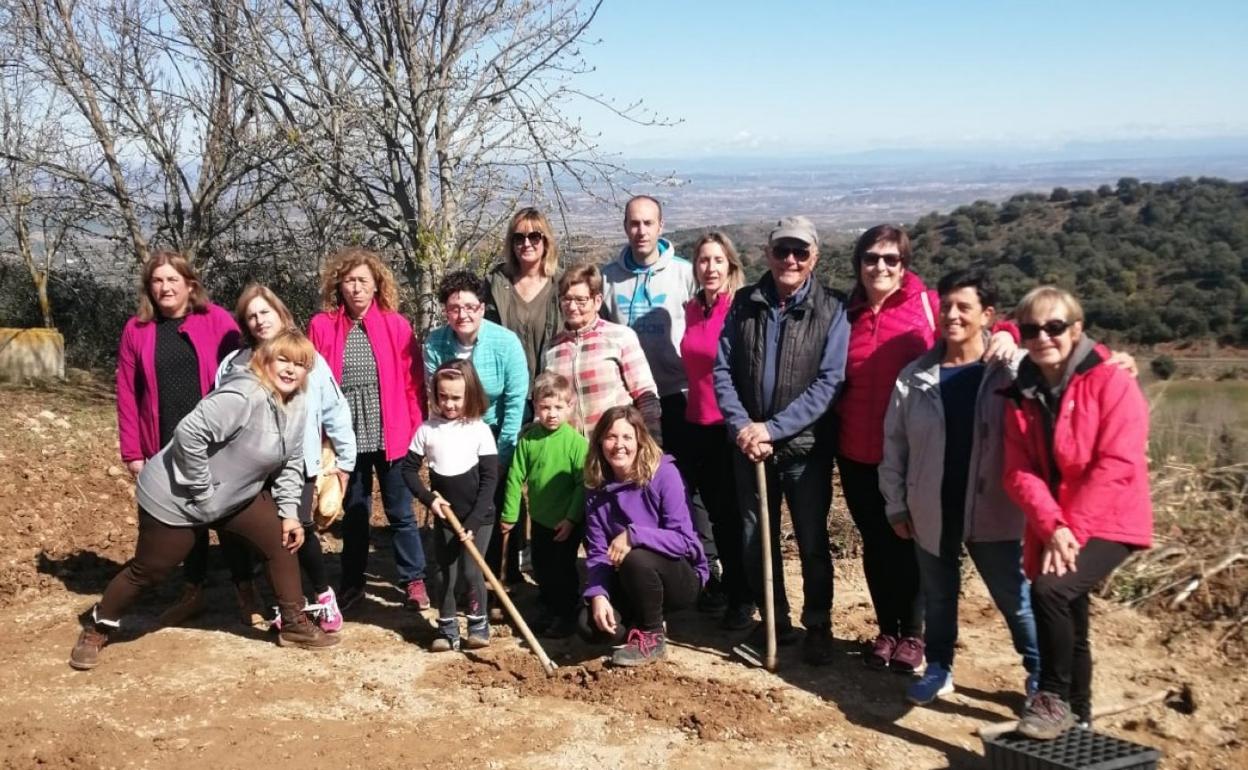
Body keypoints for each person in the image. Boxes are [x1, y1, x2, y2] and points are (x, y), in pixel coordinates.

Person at [70, 331, 340, 669]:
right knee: (150, 570)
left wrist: (288, 513)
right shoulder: (243, 394)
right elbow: (189, 434)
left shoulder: (297, 405)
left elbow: (289, 462)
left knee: (281, 538)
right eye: (283, 359)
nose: (290, 370)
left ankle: (294, 624)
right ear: (265, 360)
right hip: (176, 496)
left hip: (234, 496)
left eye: (299, 364)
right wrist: (203, 491)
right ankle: (97, 627)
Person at [837, 224, 1018, 674]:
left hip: (918, 451)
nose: (880, 266)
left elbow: (977, 320)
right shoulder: (846, 312)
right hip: (857, 451)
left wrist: (1009, 332)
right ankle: (887, 630)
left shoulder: (926, 304)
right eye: (871, 258)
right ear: (858, 264)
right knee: (877, 545)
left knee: (919, 542)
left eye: (890, 259)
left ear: (904, 266)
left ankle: (915, 634)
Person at [879, 270, 1040, 705]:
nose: (951, 315)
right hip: (932, 505)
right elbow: (895, 445)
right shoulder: (916, 377)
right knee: (939, 596)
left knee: (1015, 597)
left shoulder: (1011, 371)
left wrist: (1012, 348)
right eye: (946, 305)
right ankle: (939, 667)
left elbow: (1058, 399)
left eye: (964, 307)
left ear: (987, 315)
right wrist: (896, 503)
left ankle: (1041, 675)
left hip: (996, 509)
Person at [1002, 286, 1153, 740]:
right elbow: (1018, 471)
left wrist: (1070, 529)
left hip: (1111, 517)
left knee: (1050, 590)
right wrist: (1052, 525)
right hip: (1057, 521)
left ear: (1077, 330)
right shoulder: (1022, 391)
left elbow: (1117, 464)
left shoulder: (1111, 381)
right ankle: (1080, 717)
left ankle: (1051, 698)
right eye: (1032, 329)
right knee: (1071, 610)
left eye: (1055, 327)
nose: (1043, 336)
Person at [713, 216, 849, 666]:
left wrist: (772, 429)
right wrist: (743, 428)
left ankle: (818, 625)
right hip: (749, 446)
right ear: (768, 254)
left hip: (803, 449)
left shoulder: (832, 309)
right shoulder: (744, 302)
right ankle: (775, 622)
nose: (790, 260)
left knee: (811, 540)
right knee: (756, 539)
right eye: (782, 251)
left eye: (800, 252)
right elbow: (723, 371)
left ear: (815, 257)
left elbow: (829, 383)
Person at [600, 196, 721, 611]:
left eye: (648, 223)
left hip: (679, 393)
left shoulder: (684, 273)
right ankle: (644, 569)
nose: (641, 231)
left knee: (688, 484)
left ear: (661, 225)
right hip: (633, 399)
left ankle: (703, 567)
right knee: (639, 482)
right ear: (625, 226)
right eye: (634, 223)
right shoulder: (608, 278)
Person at [216, 284, 356, 632]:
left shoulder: (307, 357)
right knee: (265, 536)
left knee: (301, 528)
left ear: (280, 313)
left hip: (300, 461)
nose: (259, 320)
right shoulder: (234, 365)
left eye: (265, 312)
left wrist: (344, 463)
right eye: (251, 316)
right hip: (248, 468)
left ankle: (323, 595)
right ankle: (285, 604)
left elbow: (335, 410)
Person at [114, 250, 242, 627]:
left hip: (216, 440)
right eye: (157, 280)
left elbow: (242, 373)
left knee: (233, 514)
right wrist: (133, 452)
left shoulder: (216, 320)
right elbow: (126, 392)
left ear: (190, 285)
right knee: (186, 519)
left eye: (173, 279)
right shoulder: (135, 330)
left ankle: (245, 587)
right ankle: (193, 589)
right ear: (148, 288)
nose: (165, 287)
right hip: (164, 437)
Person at [308, 248, 428, 612]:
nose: (357, 288)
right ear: (338, 286)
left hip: (390, 432)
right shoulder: (322, 326)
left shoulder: (396, 325)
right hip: (346, 437)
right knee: (355, 513)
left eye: (364, 280)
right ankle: (353, 583)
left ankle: (414, 581)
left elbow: (414, 385)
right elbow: (312, 384)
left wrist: (415, 434)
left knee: (401, 511)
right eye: (349, 281)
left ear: (377, 284)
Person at [424, 270, 528, 593]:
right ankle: (464, 578)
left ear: (482, 307)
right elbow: (435, 396)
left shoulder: (506, 342)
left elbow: (515, 399)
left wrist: (503, 452)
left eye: (470, 306)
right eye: (455, 307)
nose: (462, 314)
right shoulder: (435, 343)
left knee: (499, 503)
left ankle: (503, 577)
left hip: (496, 432)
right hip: (456, 434)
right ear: (446, 311)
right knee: (464, 504)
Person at [580, 405, 708, 666]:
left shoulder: (663, 473)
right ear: (600, 442)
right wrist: (598, 594)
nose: (619, 445)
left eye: (627, 437)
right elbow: (596, 551)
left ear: (639, 440)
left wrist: (634, 535)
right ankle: (639, 622)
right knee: (590, 627)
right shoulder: (596, 487)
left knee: (636, 557)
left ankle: (652, 637)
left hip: (678, 577)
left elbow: (683, 541)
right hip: (629, 580)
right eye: (611, 437)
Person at [483, 207, 564, 577]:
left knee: (549, 481)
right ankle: (508, 563)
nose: (527, 244)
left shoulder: (561, 285)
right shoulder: (495, 284)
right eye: (519, 237)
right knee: (508, 479)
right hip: (506, 399)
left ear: (546, 241)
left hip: (552, 398)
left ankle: (551, 566)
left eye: (535, 237)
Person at [679, 232, 753, 630]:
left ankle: (743, 598)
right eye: (704, 261)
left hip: (728, 427)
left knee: (730, 518)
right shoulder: (693, 309)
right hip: (695, 423)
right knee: (700, 514)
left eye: (718, 261)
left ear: (731, 266)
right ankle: (718, 584)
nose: (710, 268)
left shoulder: (740, 310)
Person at [401, 361, 499, 652]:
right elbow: (408, 471)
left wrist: (473, 522)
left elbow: (490, 479)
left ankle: (478, 624)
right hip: (446, 517)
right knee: (445, 573)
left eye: (456, 397)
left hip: (479, 518)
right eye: (443, 396)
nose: (449, 403)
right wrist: (430, 500)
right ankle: (446, 627)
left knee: (471, 572)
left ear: (470, 395)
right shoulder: (427, 431)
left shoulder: (479, 430)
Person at [499, 372, 588, 638]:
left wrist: (572, 519)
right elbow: (515, 476)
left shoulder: (576, 444)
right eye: (545, 407)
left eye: (558, 407)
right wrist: (510, 514)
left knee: (563, 569)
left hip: (566, 522)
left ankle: (566, 612)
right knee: (541, 565)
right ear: (535, 407)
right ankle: (548, 606)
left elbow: (583, 485)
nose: (551, 414)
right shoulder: (529, 439)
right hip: (539, 518)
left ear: (570, 407)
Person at [544, 263, 661, 439]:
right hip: (569, 453)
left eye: (581, 300)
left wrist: (652, 441)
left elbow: (645, 395)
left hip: (614, 448)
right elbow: (545, 401)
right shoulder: (551, 349)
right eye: (566, 299)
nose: (573, 307)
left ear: (597, 301)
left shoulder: (620, 337)